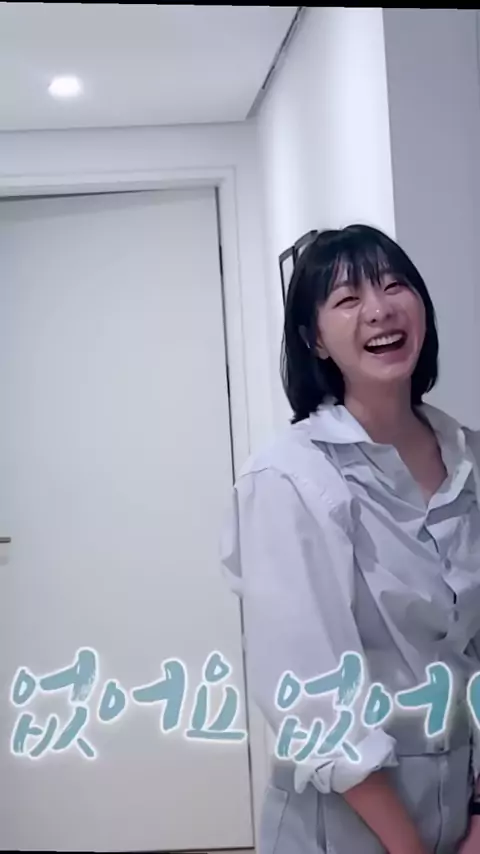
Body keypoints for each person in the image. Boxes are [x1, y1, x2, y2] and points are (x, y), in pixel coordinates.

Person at [220, 224, 480, 854]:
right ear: (314, 339)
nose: (379, 309)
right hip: (345, 824)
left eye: (394, 286)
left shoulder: (468, 457)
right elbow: (314, 702)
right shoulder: (290, 479)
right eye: (347, 299)